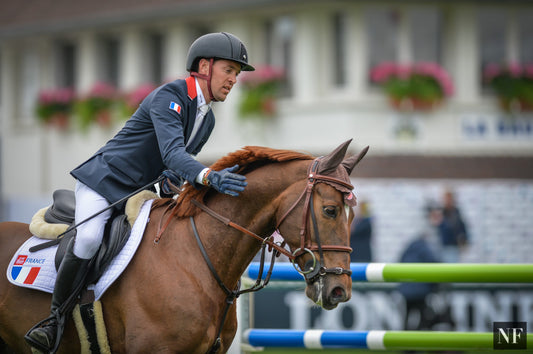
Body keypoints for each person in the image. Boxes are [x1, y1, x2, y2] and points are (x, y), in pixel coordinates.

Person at [25, 32, 254, 352]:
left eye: (237, 74)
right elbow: (174, 154)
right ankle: (53, 321)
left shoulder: (207, 119)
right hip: (104, 182)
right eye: (229, 70)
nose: (233, 80)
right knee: (90, 237)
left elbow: (173, 170)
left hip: (140, 194)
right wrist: (208, 176)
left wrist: (191, 184)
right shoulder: (169, 96)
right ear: (205, 66)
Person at [397, 203, 443, 331]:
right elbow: (434, 263)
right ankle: (418, 344)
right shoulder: (425, 246)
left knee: (407, 318)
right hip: (420, 290)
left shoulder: (410, 245)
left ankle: (406, 348)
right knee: (423, 319)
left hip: (406, 289)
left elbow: (399, 261)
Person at [440, 189, 468, 263]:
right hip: (442, 246)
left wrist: (464, 239)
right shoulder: (441, 212)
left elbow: (462, 228)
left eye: (449, 199)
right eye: (446, 199)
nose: (447, 201)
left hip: (453, 246)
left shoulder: (456, 213)